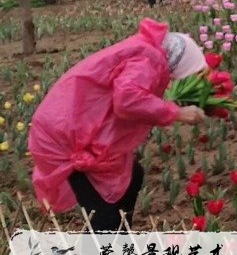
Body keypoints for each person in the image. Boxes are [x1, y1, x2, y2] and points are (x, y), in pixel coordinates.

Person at [29, 19, 206, 243]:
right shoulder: (147, 59)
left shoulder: (146, 51)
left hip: (70, 125)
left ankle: (118, 241)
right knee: (104, 210)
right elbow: (127, 100)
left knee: (133, 176)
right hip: (68, 137)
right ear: (173, 62)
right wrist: (177, 113)